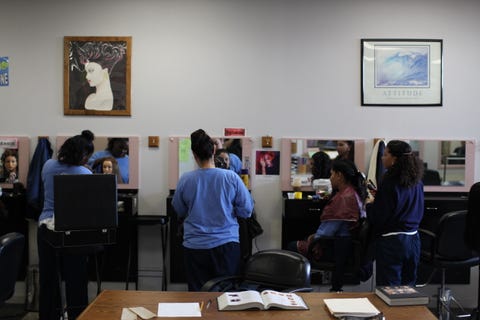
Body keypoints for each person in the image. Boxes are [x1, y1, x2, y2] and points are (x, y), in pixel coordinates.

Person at [172, 129, 254, 291]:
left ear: (194, 154)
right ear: (214, 150)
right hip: (226, 247)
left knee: (198, 298)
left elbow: (179, 210)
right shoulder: (231, 178)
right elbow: (246, 210)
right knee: (226, 298)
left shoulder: (185, 179)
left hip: (195, 248)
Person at [37, 130, 95, 320]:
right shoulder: (85, 173)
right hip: (72, 232)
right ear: (81, 155)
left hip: (45, 229)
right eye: (87, 156)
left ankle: (48, 316)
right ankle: (78, 315)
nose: (87, 160)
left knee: (48, 279)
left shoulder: (47, 166)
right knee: (75, 280)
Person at [366, 140, 424, 286]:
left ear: (394, 159)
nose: (382, 158)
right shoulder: (417, 182)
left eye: (385, 155)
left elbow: (379, 217)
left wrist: (369, 205)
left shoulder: (389, 181)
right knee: (408, 288)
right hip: (413, 240)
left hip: (392, 242)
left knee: (389, 290)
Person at [288, 159, 367, 259]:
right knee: (306, 238)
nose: (330, 178)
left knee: (292, 245)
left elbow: (327, 231)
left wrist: (315, 239)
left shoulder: (343, 198)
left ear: (339, 176)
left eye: (332, 174)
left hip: (335, 247)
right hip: (346, 245)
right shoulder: (354, 193)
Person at [73, 41, 127, 111]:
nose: (87, 77)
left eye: (91, 71)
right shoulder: (91, 98)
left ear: (105, 71)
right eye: (87, 72)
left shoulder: (94, 101)